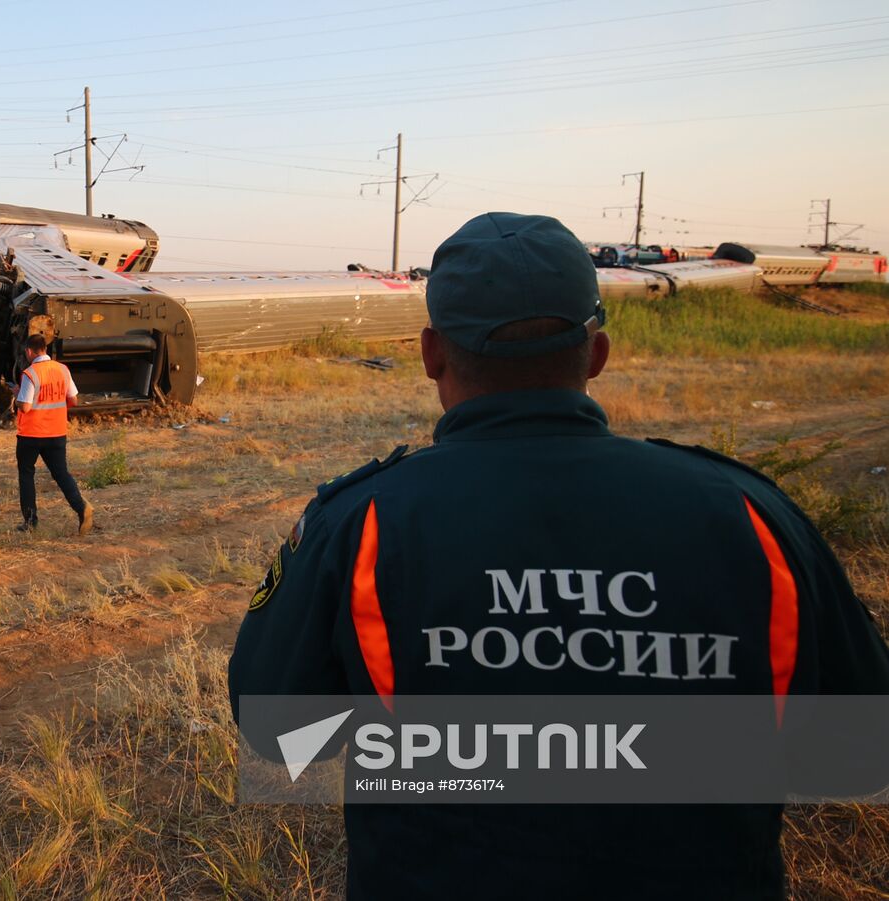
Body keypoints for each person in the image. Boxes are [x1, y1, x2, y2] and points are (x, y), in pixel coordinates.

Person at [228, 212, 889, 900]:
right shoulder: (752, 517)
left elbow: (281, 736)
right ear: (596, 354)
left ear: (431, 354)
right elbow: (853, 752)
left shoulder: (361, 523)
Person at [14, 334, 93, 535]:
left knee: (26, 475)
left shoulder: (30, 374)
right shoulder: (62, 370)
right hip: (57, 432)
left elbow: (25, 406)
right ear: (45, 349)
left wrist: (16, 395)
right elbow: (73, 400)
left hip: (31, 435)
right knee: (61, 474)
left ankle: (30, 522)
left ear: (29, 351)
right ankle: (81, 507)